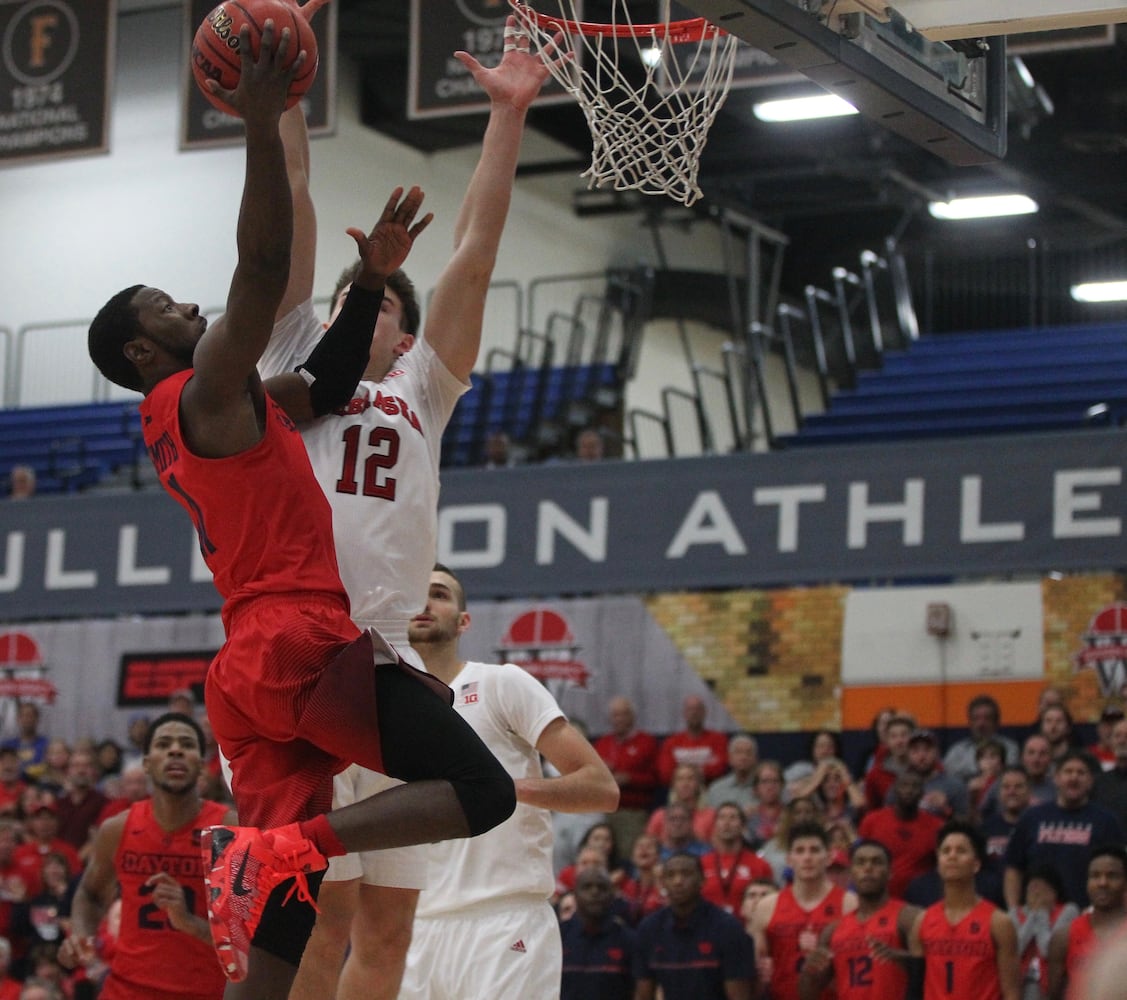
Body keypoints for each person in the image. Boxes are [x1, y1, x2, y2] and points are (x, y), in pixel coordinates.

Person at [86, 25, 515, 999]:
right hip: (297, 640)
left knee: (276, 962)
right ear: (142, 355)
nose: (185, 306)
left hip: (253, 669)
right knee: (478, 791)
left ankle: (277, 850)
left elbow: (320, 385)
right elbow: (262, 261)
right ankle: (281, 845)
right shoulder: (199, 388)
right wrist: (258, 122)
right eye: (162, 306)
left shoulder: (223, 402)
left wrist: (369, 283)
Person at [257, 21, 561, 1000]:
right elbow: (293, 202)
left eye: (380, 300)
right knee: (309, 920)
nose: (364, 303)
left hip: (383, 666)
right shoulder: (295, 362)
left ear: (404, 326)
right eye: (351, 293)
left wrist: (506, 115)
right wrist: (287, 85)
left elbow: (473, 246)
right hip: (304, 660)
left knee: (385, 930)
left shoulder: (423, 388)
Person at [397, 565, 619, 999]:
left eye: (440, 594)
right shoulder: (384, 707)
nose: (425, 603)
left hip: (506, 918)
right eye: (415, 594)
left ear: (464, 621)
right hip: (415, 925)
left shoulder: (501, 683)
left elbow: (601, 788)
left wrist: (505, 790)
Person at [58, 712, 234, 1000]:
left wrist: (191, 923)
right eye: (164, 744)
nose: (175, 749)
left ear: (202, 765)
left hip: (205, 991)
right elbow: (89, 894)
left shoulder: (228, 829)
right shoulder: (117, 828)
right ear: (147, 764)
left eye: (187, 744)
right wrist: (81, 933)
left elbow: (252, 937)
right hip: (125, 989)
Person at [909, 820, 1021, 1000]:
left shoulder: (999, 922)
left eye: (961, 851)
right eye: (946, 851)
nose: (952, 856)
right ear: (938, 863)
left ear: (976, 864)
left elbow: (1012, 992)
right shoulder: (922, 921)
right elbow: (915, 991)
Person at [798, 839, 920, 1000]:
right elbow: (808, 995)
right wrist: (808, 971)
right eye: (860, 862)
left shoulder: (909, 918)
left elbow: (933, 971)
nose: (868, 868)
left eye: (876, 862)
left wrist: (906, 960)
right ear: (851, 874)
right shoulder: (833, 931)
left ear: (890, 872)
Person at [749, 821, 857, 1000]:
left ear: (829, 856)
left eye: (814, 850)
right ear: (789, 860)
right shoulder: (767, 906)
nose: (807, 858)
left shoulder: (849, 904)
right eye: (800, 851)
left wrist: (822, 954)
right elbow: (757, 970)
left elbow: (856, 969)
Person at [1004, 750, 1124, 909]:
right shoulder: (1032, 817)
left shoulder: (1107, 821)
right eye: (1068, 772)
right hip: (1036, 916)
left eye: (1081, 773)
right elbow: (1014, 868)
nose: (1074, 777)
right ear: (1056, 778)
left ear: (1090, 781)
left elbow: (1120, 872)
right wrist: (1013, 910)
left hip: (1089, 917)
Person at [633, 852, 756, 1000]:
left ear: (702, 881)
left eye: (686, 874)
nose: (678, 881)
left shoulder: (727, 928)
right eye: (670, 875)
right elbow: (644, 994)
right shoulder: (649, 929)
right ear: (663, 883)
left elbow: (739, 996)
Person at [1047, 845, 1127, 1000]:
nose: (1102, 882)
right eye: (1095, 876)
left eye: (1112, 876)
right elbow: (1054, 995)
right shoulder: (1064, 937)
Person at [858, 769, 944, 899]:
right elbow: (859, 860)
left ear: (922, 793)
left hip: (920, 900)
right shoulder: (872, 821)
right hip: (879, 898)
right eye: (904, 785)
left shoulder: (937, 827)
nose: (909, 791)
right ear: (894, 789)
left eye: (914, 786)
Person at [594, 697, 660, 852]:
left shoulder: (646, 742)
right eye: (615, 715)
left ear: (632, 716)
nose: (619, 719)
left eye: (623, 714)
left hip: (633, 811)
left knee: (629, 853)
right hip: (603, 812)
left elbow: (656, 779)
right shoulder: (602, 743)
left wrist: (629, 779)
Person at [559, 866, 636, 1000]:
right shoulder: (557, 937)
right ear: (575, 894)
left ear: (612, 894)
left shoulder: (629, 940)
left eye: (602, 887)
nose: (595, 892)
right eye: (587, 887)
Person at [1014, 865, 1077, 1000]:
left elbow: (1048, 950)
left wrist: (1042, 913)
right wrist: (1033, 915)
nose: (1037, 894)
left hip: (1051, 984)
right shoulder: (1014, 913)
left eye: (1043, 889)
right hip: (1020, 983)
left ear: (1054, 891)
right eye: (1033, 889)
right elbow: (1015, 950)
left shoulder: (1068, 911)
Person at [699, 802, 773, 916]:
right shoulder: (701, 864)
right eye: (722, 818)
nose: (727, 823)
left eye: (733, 818)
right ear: (715, 826)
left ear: (743, 826)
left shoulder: (760, 865)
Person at [943, 694, 1020, 785]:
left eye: (987, 718)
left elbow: (1009, 775)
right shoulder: (956, 751)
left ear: (996, 722)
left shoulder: (1009, 748)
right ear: (970, 722)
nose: (981, 724)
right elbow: (949, 779)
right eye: (976, 718)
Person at [657, 695, 728, 787]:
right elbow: (665, 775)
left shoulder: (718, 739)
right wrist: (701, 770)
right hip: (678, 793)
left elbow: (719, 770)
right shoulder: (671, 742)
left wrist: (684, 773)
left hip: (710, 791)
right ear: (684, 713)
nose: (694, 713)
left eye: (698, 709)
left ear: (704, 712)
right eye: (690, 709)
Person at [706, 733, 758, 812]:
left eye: (748, 753)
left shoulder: (765, 787)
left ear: (755, 759)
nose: (743, 757)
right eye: (738, 752)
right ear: (729, 758)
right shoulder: (716, 789)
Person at [1093, 714, 1127, 829]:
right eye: (1117, 736)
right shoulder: (1098, 782)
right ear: (1111, 742)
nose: (1122, 741)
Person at [1, 704, 48, 781]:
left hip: (38, 786)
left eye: (30, 716)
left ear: (37, 719)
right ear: (18, 719)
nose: (27, 720)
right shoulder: (7, 745)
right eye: (23, 716)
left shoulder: (46, 744)